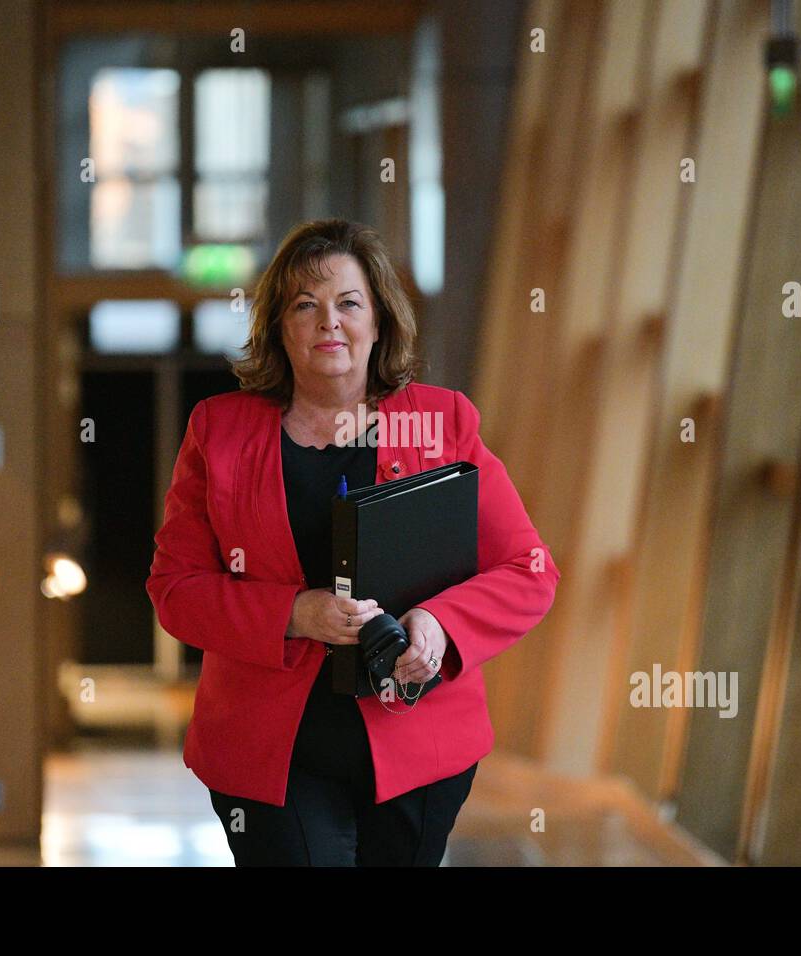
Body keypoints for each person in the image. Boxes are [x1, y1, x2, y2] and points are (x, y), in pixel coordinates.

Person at [146, 217, 559, 866]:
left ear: (379, 319)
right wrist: (292, 613)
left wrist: (437, 625)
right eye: (304, 305)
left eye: (348, 303)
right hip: (267, 754)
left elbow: (528, 569)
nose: (327, 322)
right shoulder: (218, 432)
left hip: (419, 744)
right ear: (278, 327)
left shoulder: (442, 420)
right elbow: (175, 590)